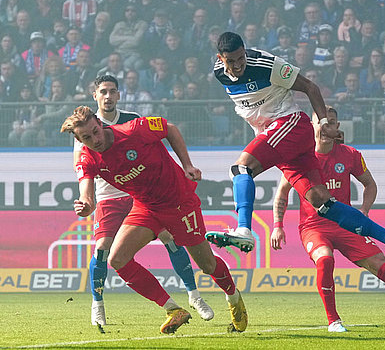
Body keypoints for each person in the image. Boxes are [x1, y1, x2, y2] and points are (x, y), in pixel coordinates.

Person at [206, 32, 385, 271]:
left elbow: (310, 87)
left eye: (241, 58)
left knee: (241, 168)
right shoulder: (219, 73)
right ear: (221, 59)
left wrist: (324, 122)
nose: (238, 65)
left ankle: (244, 229)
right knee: (323, 204)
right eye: (231, 61)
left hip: (290, 125)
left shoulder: (266, 64)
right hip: (282, 139)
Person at [60, 103, 248, 334]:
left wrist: (187, 165)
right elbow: (86, 194)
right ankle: (173, 309)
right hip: (146, 207)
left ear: (101, 123)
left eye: (95, 132)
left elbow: (170, 129)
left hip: (180, 202)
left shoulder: (133, 130)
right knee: (117, 259)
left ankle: (233, 297)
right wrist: (85, 206)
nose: (94, 140)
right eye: (86, 137)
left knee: (207, 265)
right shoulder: (87, 159)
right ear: (80, 140)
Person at [270, 107, 385, 333]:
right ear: (310, 127)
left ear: (337, 127)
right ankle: (334, 321)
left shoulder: (350, 155)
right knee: (325, 260)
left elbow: (370, 184)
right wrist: (277, 226)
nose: (325, 127)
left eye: (330, 122)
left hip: (346, 225)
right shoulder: (301, 158)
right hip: (314, 227)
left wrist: (364, 210)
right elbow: (282, 193)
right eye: (320, 122)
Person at [73, 75, 214, 327]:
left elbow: (162, 137)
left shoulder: (131, 120)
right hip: (108, 197)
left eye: (112, 91)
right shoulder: (82, 133)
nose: (107, 96)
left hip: (141, 194)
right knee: (103, 248)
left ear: (118, 95)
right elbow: (85, 175)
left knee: (171, 239)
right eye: (102, 92)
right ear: (95, 96)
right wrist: (87, 200)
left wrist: (183, 166)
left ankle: (194, 296)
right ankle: (97, 304)